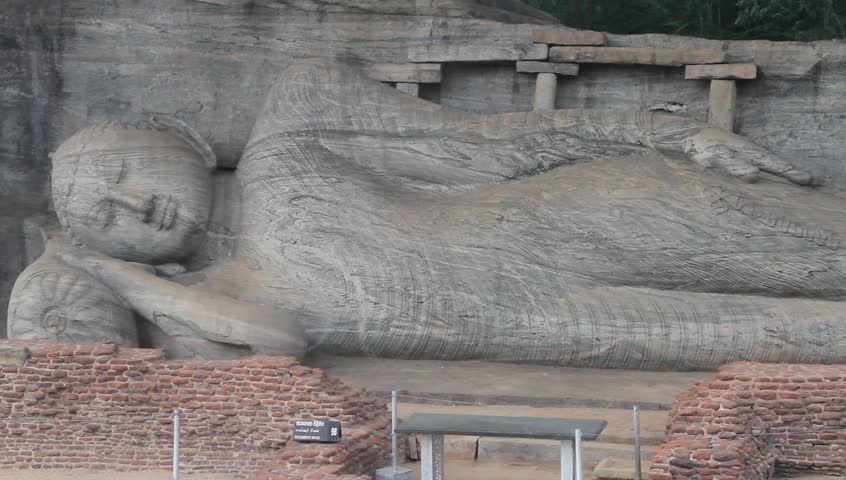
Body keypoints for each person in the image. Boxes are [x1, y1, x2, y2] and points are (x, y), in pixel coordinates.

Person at [10, 59, 846, 370]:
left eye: (121, 170)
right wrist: (109, 274)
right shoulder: (223, 297)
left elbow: (494, 145)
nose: (133, 203)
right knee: (804, 341)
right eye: (101, 215)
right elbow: (277, 341)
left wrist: (660, 134)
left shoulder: (294, 124)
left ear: (173, 137)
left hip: (590, 217)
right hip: (553, 324)